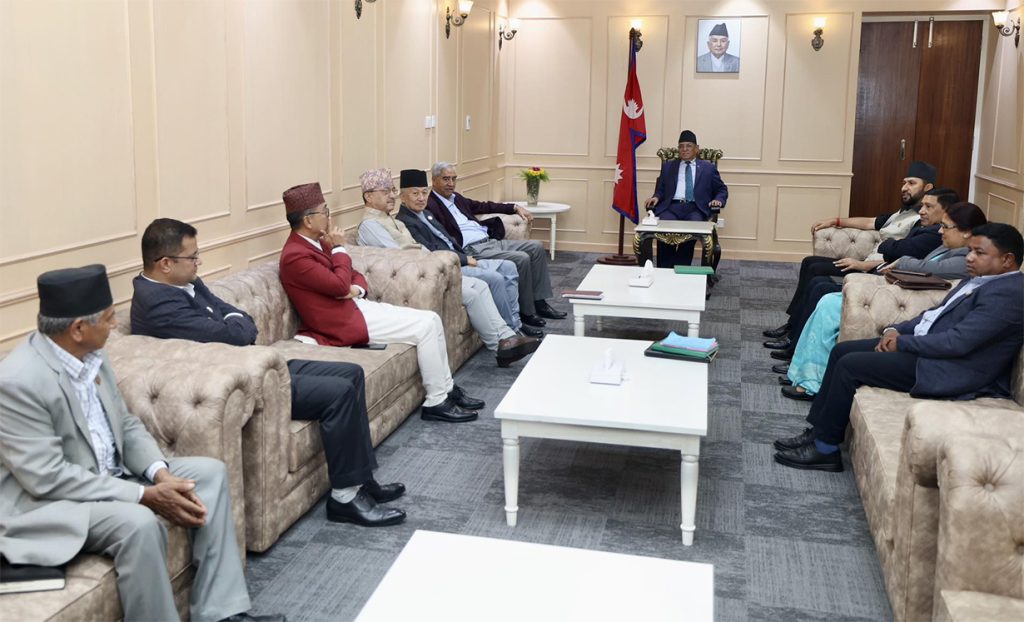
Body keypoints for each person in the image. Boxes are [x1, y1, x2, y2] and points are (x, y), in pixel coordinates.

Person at [0, 265, 284, 622]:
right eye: (108, 318)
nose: (114, 325)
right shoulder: (18, 381)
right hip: (51, 501)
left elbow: (126, 423)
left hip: (110, 474)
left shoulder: (92, 355)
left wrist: (160, 473)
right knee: (138, 523)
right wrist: (143, 495)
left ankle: (220, 612)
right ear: (78, 329)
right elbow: (48, 478)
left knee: (209, 473)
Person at [130, 218, 406, 527]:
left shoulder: (186, 282)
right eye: (193, 257)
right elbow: (236, 333)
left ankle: (361, 480)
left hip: (256, 364)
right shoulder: (157, 304)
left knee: (351, 374)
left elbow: (238, 319)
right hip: (239, 383)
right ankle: (345, 498)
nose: (199, 262)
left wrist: (233, 322)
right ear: (165, 263)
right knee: (338, 393)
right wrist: (233, 324)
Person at [773, 222, 1024, 472]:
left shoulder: (1008, 294)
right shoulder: (980, 279)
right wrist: (895, 330)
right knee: (842, 350)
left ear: (1007, 260)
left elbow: (958, 342)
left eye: (979, 253)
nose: (969, 257)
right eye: (970, 250)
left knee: (850, 366)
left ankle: (825, 449)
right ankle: (818, 431)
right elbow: (933, 315)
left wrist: (903, 343)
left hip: (949, 368)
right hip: (929, 351)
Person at [277, 181, 483, 424]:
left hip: (355, 306)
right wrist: (340, 249)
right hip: (341, 322)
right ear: (308, 220)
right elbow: (340, 284)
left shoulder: (319, 242)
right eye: (325, 211)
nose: (329, 217)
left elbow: (353, 275)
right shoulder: (295, 255)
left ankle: (446, 389)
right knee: (426, 326)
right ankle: (436, 401)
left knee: (432, 319)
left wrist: (355, 289)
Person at [782, 202, 988, 400]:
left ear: (966, 232)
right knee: (826, 298)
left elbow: (928, 267)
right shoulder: (946, 247)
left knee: (827, 301)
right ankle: (801, 373)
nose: (940, 231)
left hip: (898, 302)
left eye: (946, 227)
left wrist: (901, 261)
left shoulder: (966, 258)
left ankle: (811, 381)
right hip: (888, 291)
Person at [356, 169, 541, 366]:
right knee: (473, 291)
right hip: (416, 278)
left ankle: (507, 338)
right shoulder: (370, 224)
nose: (391, 196)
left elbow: (418, 248)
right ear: (368, 196)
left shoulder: (389, 219)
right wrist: (438, 263)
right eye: (385, 192)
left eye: (392, 190)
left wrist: (439, 261)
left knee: (479, 286)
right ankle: (500, 345)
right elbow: (398, 257)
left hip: (428, 267)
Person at [762, 160, 940, 353]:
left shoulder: (922, 222)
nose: (904, 187)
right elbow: (870, 222)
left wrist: (863, 265)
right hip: (866, 263)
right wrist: (836, 220)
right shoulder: (902, 213)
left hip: (873, 270)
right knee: (810, 263)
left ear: (928, 187)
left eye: (911, 183)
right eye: (904, 182)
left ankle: (794, 336)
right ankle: (793, 324)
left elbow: (903, 256)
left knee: (817, 274)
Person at [389, 169, 539, 337]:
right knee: (495, 278)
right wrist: (464, 259)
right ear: (402, 197)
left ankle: (516, 323)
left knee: (509, 267)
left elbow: (448, 238)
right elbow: (431, 250)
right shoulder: (405, 221)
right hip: (450, 265)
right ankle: (512, 330)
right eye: (415, 193)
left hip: (460, 255)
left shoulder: (426, 213)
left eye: (424, 193)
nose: (421, 198)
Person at [426, 162, 566, 328]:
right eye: (446, 179)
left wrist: (514, 207)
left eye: (454, 179)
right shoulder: (430, 205)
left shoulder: (457, 198)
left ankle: (540, 303)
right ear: (434, 180)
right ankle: (527, 312)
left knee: (536, 246)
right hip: (473, 249)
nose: (451, 183)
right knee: (521, 258)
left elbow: (484, 206)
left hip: (489, 241)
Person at [643, 130, 729, 266]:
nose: (684, 149)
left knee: (692, 230)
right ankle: (664, 269)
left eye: (688, 146)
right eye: (681, 146)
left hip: (695, 208)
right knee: (664, 229)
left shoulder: (708, 168)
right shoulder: (669, 167)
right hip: (671, 207)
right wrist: (656, 197)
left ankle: (682, 268)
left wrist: (718, 199)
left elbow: (721, 189)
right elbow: (661, 189)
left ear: (697, 149)